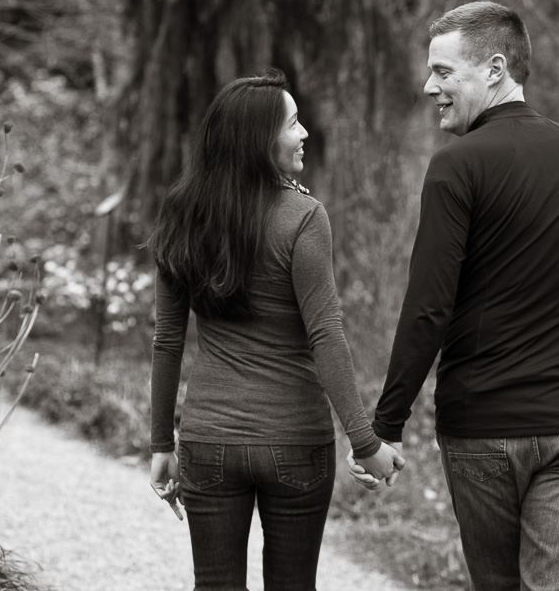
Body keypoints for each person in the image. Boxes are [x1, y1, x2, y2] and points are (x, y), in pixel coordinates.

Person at [348, 2, 559, 590]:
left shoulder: (457, 167)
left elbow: (429, 306)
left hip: (482, 427)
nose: (428, 85)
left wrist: (386, 426)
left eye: (442, 71)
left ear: (494, 68)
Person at [147, 68, 403, 591]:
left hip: (209, 440)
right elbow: (326, 333)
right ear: (258, 141)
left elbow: (168, 340)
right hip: (295, 442)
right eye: (292, 123)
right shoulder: (302, 215)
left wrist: (160, 444)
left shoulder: (181, 213)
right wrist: (365, 441)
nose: (305, 132)